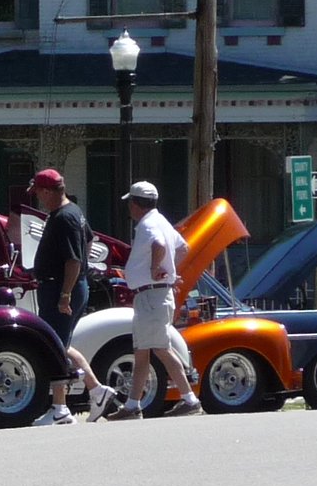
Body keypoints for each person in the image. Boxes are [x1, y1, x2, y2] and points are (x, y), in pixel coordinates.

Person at [22, 168, 111, 426]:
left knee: (54, 347)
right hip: (63, 286)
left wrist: (65, 294)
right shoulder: (70, 213)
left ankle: (60, 409)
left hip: (61, 288)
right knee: (60, 343)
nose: (37, 197)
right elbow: (89, 241)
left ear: (48, 191)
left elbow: (73, 259)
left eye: (38, 192)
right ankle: (97, 390)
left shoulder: (65, 218)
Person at [110, 180, 202, 420]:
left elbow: (159, 244)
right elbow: (184, 248)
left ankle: (189, 399)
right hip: (154, 294)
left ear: (136, 203)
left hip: (151, 294)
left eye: (130, 203)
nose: (129, 208)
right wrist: (170, 271)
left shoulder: (147, 225)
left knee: (159, 348)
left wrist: (156, 268)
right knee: (143, 351)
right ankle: (133, 405)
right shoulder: (162, 221)